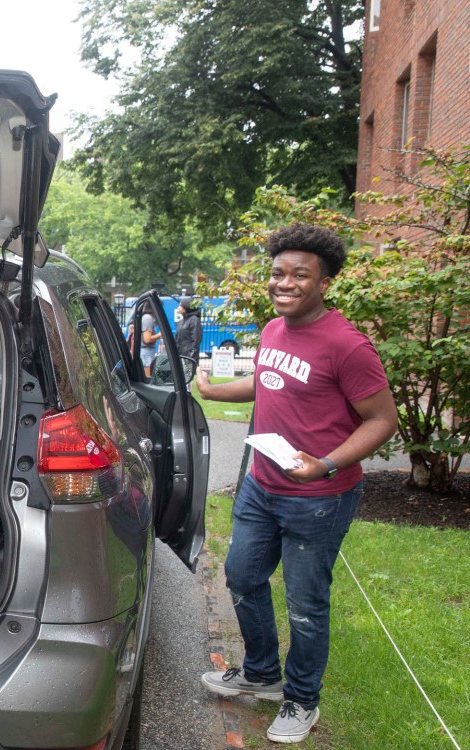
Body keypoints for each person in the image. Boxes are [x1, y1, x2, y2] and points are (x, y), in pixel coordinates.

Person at [195, 224, 397, 744]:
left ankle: (302, 698)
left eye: (299, 275)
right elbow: (264, 382)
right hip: (262, 486)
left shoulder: (346, 346)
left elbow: (382, 420)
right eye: (278, 273)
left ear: (324, 282)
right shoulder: (271, 331)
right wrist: (214, 388)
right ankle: (261, 674)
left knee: (307, 605)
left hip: (319, 498)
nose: (284, 283)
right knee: (242, 577)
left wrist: (327, 463)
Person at [175, 296, 202, 382]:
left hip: (188, 356)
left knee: (186, 380)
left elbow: (196, 340)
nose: (178, 308)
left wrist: (191, 357)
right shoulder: (181, 321)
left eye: (180, 306)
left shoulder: (194, 320)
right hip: (180, 355)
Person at [139, 307, 162, 376]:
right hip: (147, 353)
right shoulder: (148, 318)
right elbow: (147, 339)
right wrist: (160, 335)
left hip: (148, 352)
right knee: (148, 377)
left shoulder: (148, 318)